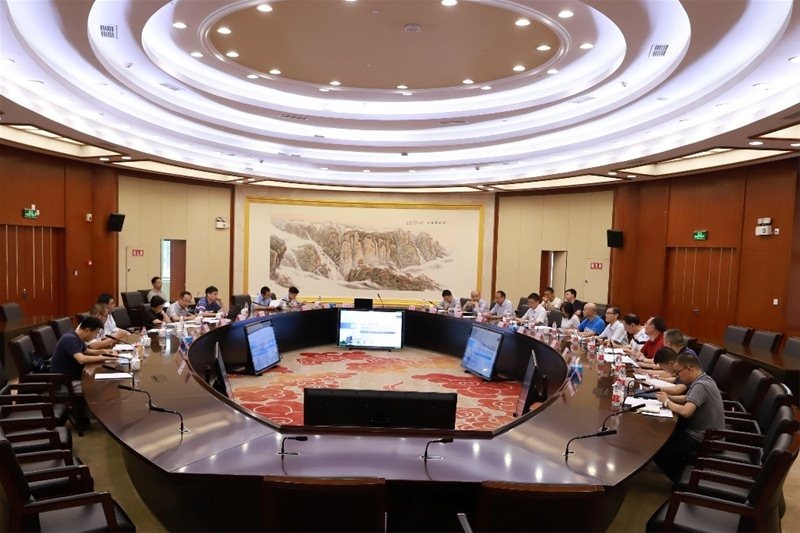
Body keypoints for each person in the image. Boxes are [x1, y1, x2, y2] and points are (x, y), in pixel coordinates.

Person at [654, 352, 725, 484]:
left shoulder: (701, 385)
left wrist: (667, 402)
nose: (677, 376)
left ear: (690, 368)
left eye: (678, 372)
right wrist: (668, 397)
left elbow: (686, 411)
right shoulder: (704, 379)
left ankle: (682, 482)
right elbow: (688, 398)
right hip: (704, 434)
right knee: (665, 440)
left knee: (658, 449)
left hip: (704, 439)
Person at [51, 316, 117, 387]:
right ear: (87, 330)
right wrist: (106, 357)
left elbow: (87, 351)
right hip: (66, 382)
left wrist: (104, 352)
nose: (95, 337)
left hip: (76, 377)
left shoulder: (76, 336)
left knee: (106, 382)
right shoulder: (69, 339)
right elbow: (82, 359)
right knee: (103, 386)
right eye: (95, 334)